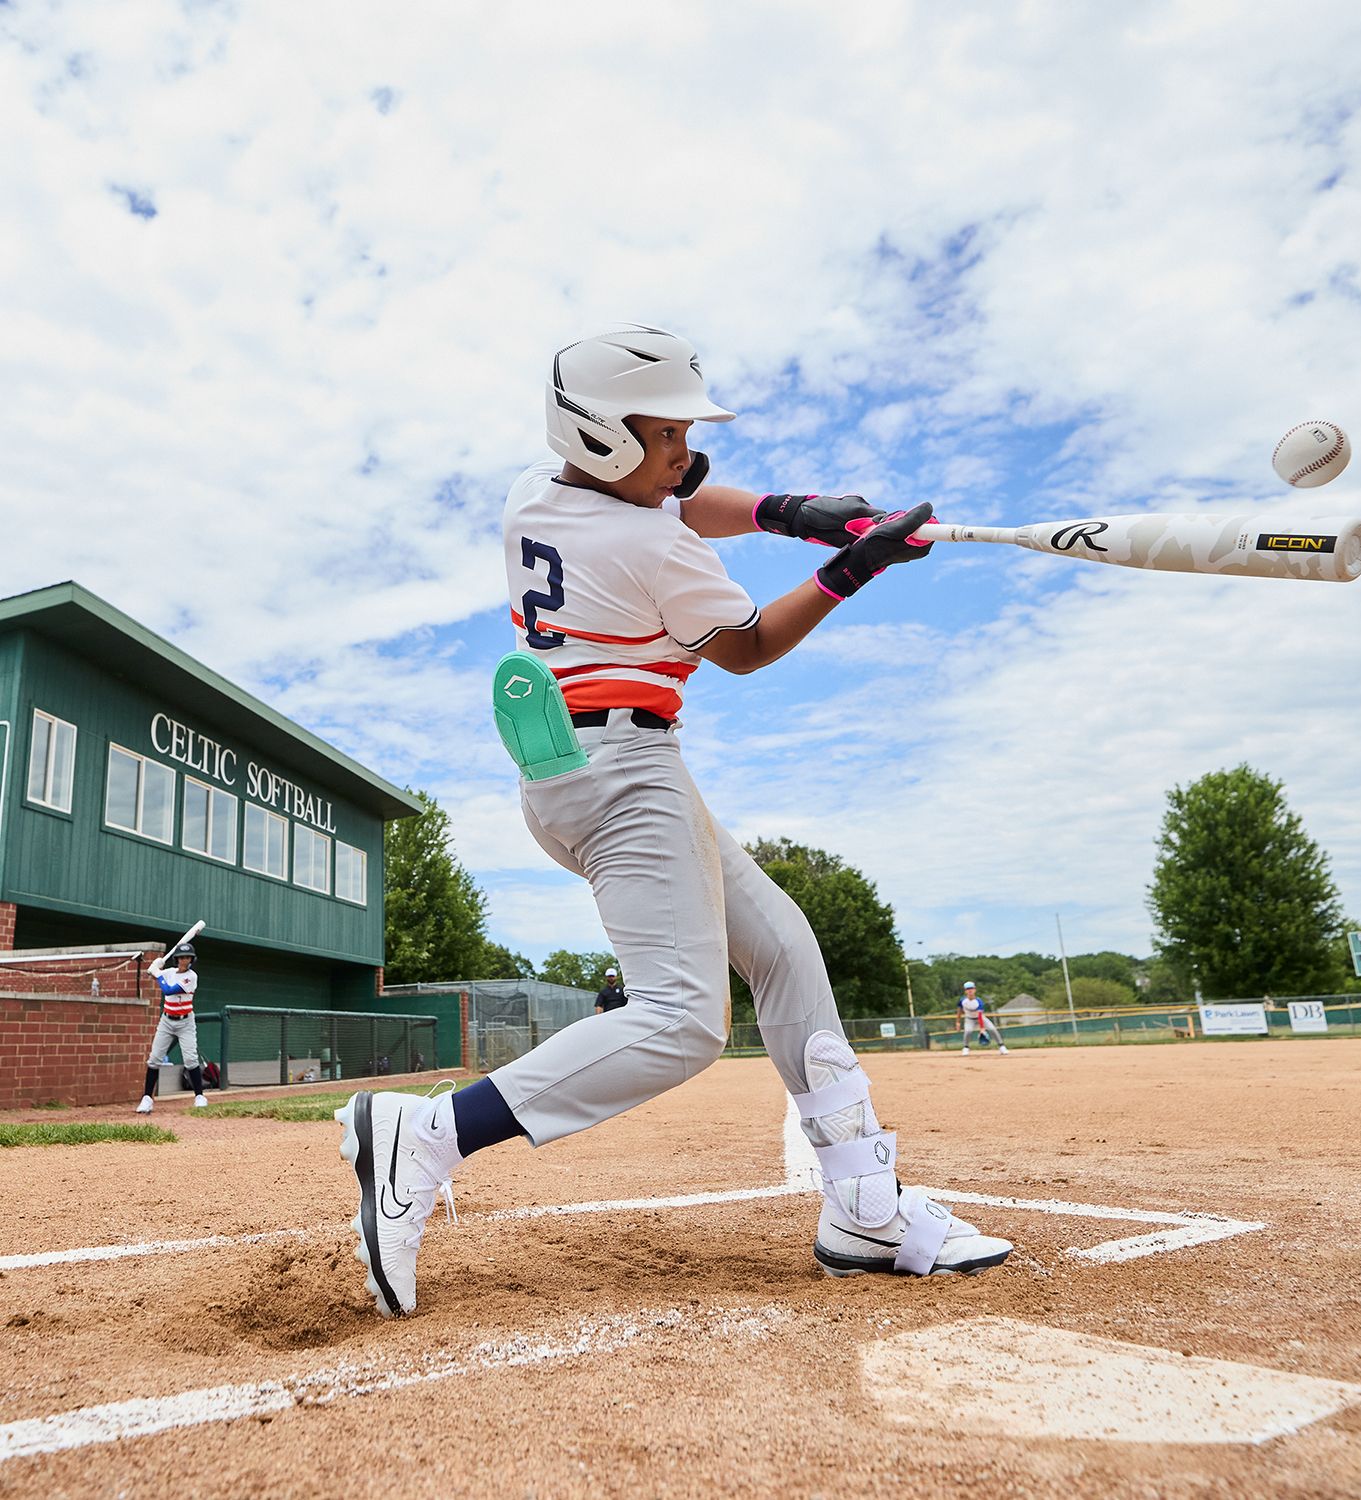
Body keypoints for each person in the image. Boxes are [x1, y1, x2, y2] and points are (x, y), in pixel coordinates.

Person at [336, 324, 1012, 1317]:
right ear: (606, 442)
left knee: (784, 949)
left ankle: (863, 1208)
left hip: (584, 766)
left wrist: (793, 512)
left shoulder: (542, 489)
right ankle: (430, 1133)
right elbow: (744, 649)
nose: (688, 456)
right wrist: (848, 570)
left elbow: (685, 492)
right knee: (685, 1021)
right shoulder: (649, 540)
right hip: (625, 778)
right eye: (666, 437)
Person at [135, 941, 208, 1112]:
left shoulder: (191, 977)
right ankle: (147, 1099)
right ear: (177, 959)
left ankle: (199, 1096)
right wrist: (155, 967)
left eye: (188, 957)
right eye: (182, 957)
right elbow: (152, 974)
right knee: (154, 1058)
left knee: (190, 1058)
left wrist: (157, 973)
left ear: (192, 959)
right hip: (167, 1021)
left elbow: (168, 990)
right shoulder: (169, 973)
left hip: (185, 1022)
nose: (185, 960)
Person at [956, 981, 1007, 1055]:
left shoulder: (978, 1001)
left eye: (971, 988)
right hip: (969, 1019)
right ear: (965, 991)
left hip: (981, 1018)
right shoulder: (962, 1001)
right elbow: (959, 1011)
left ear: (975, 990)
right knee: (968, 1031)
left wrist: (982, 1028)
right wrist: (958, 1022)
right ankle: (966, 1047)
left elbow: (979, 1015)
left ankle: (1002, 1046)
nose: (970, 990)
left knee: (992, 1029)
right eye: (967, 989)